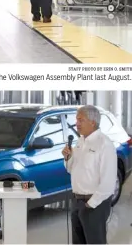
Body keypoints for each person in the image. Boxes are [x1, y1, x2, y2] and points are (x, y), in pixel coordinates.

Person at [62, 105, 117, 245]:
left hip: (94, 204)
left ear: (92, 122)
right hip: (76, 201)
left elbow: (108, 183)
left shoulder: (105, 144)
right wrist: (67, 158)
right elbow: (70, 169)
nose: (77, 123)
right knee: (78, 242)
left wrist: (90, 205)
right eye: (76, 119)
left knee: (94, 241)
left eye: (81, 120)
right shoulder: (80, 141)